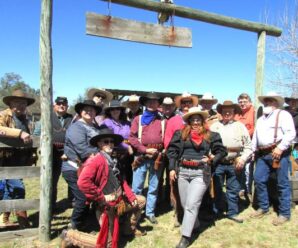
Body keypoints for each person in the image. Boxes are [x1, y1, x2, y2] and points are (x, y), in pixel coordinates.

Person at [167, 107, 227, 248]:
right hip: (182, 171)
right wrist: (171, 168)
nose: (195, 121)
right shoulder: (180, 134)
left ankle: (185, 237)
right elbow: (172, 151)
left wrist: (212, 159)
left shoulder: (211, 135)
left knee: (192, 204)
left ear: (202, 120)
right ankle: (196, 224)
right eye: (193, 119)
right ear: (188, 121)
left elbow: (222, 151)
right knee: (185, 204)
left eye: (198, 119)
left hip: (201, 172)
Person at [77, 127, 146, 248]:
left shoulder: (113, 160)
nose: (110, 144)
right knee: (107, 244)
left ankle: (127, 230)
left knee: (140, 201)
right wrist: (100, 196)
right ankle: (71, 236)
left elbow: (121, 180)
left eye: (111, 141)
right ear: (99, 144)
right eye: (106, 141)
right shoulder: (96, 160)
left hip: (120, 202)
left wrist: (130, 195)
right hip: (106, 206)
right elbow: (82, 182)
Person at [250, 92, 296, 225]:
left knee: (282, 184)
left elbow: (291, 133)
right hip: (263, 155)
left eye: (270, 101)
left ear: (276, 103)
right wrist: (253, 151)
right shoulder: (260, 119)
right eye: (265, 101)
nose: (266, 103)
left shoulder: (284, 115)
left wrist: (281, 147)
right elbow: (255, 138)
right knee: (258, 179)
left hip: (279, 155)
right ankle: (264, 207)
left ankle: (285, 213)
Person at [210, 100, 253, 223]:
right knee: (217, 188)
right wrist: (211, 156)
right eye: (224, 111)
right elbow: (208, 145)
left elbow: (248, 147)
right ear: (221, 112)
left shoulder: (240, 126)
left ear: (234, 112)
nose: (227, 113)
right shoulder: (215, 126)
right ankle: (216, 212)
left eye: (230, 111)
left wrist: (243, 158)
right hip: (218, 163)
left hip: (234, 162)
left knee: (233, 189)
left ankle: (232, 212)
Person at [62, 100, 101, 230]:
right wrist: (101, 155)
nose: (89, 112)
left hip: (89, 168)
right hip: (74, 168)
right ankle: (74, 226)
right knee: (82, 198)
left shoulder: (95, 127)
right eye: (86, 109)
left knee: (89, 197)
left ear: (96, 112)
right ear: (80, 112)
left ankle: (83, 223)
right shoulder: (76, 127)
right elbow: (82, 149)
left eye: (92, 110)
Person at [0, 89, 35, 228]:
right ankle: (23, 221)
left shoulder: (25, 119)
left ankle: (4, 220)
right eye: (17, 102)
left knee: (10, 190)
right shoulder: (3, 115)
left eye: (23, 103)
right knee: (18, 188)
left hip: (19, 160)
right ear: (10, 103)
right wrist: (19, 133)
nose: (21, 105)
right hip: (5, 159)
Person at [163, 92, 198, 226]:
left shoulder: (197, 119)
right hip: (178, 159)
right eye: (184, 102)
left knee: (194, 187)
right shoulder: (174, 120)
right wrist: (173, 156)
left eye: (189, 102)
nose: (186, 105)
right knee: (176, 187)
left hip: (194, 159)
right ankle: (178, 213)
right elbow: (167, 140)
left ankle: (192, 215)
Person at [129, 92, 164, 224]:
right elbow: (131, 137)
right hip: (141, 156)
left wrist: (161, 150)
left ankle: (149, 213)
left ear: (158, 104)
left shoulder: (162, 120)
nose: (151, 103)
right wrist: (144, 149)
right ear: (145, 103)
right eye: (149, 101)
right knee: (137, 187)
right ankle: (134, 213)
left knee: (153, 187)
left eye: (154, 101)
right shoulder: (138, 119)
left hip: (156, 157)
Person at [102, 100, 134, 185]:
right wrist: (127, 146)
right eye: (112, 109)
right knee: (117, 176)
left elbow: (132, 136)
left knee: (128, 175)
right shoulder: (106, 122)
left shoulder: (127, 123)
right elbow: (110, 138)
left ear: (121, 110)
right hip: (114, 154)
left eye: (117, 109)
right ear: (109, 111)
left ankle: (128, 194)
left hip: (128, 154)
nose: (115, 111)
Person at [51, 97, 73, 210]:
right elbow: (37, 133)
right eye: (59, 103)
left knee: (72, 177)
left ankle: (72, 201)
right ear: (54, 105)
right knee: (52, 179)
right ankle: (51, 203)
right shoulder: (48, 116)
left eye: (64, 104)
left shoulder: (71, 118)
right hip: (52, 153)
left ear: (67, 106)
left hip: (68, 152)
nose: (61, 105)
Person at [234, 93, 255, 201]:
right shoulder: (236, 113)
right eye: (240, 102)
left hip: (249, 145)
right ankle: (239, 190)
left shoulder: (254, 112)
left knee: (248, 170)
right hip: (237, 147)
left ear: (249, 102)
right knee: (238, 168)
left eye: (244, 101)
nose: (242, 104)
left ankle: (248, 192)